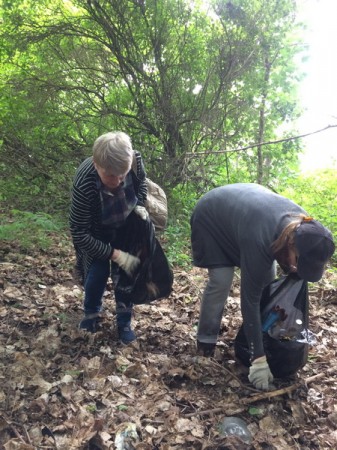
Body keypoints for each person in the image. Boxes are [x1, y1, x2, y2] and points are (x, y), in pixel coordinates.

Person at [190, 183, 335, 390]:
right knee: (221, 280)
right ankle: (205, 342)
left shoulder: (307, 232)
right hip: (212, 218)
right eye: (297, 262)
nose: (295, 268)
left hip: (243, 220)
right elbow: (250, 300)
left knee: (269, 283)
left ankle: (261, 338)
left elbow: (281, 282)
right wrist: (258, 359)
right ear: (290, 243)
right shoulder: (262, 237)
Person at [70, 131, 150, 344]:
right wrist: (112, 253)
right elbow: (79, 231)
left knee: (126, 273)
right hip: (98, 231)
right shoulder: (85, 182)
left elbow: (142, 183)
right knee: (98, 270)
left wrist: (139, 206)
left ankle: (124, 321)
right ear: (97, 165)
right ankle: (91, 313)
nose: (118, 180)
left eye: (122, 174)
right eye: (111, 176)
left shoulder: (133, 161)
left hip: (126, 225)